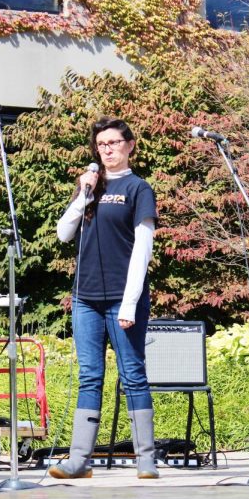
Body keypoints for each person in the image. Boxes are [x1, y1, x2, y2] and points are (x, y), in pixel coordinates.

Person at [50, 117, 159, 480]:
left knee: (133, 374)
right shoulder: (90, 188)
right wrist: (83, 194)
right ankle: (80, 460)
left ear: (130, 145)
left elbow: (143, 248)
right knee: (89, 376)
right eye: (102, 145)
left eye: (114, 143)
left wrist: (129, 303)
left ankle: (146, 459)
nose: (108, 149)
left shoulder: (138, 188)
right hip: (86, 298)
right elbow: (64, 234)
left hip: (122, 297)